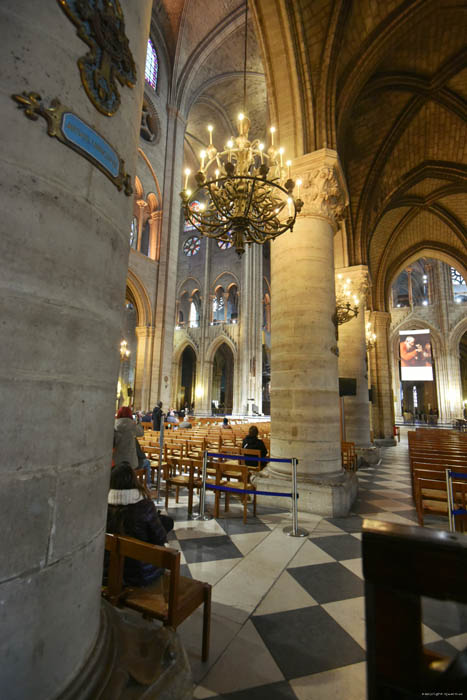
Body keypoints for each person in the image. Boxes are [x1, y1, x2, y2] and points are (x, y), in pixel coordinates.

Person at [106, 463, 174, 586]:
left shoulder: (103, 507)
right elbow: (160, 539)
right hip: (141, 573)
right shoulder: (145, 507)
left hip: (107, 570)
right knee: (166, 523)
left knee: (164, 522)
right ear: (134, 481)